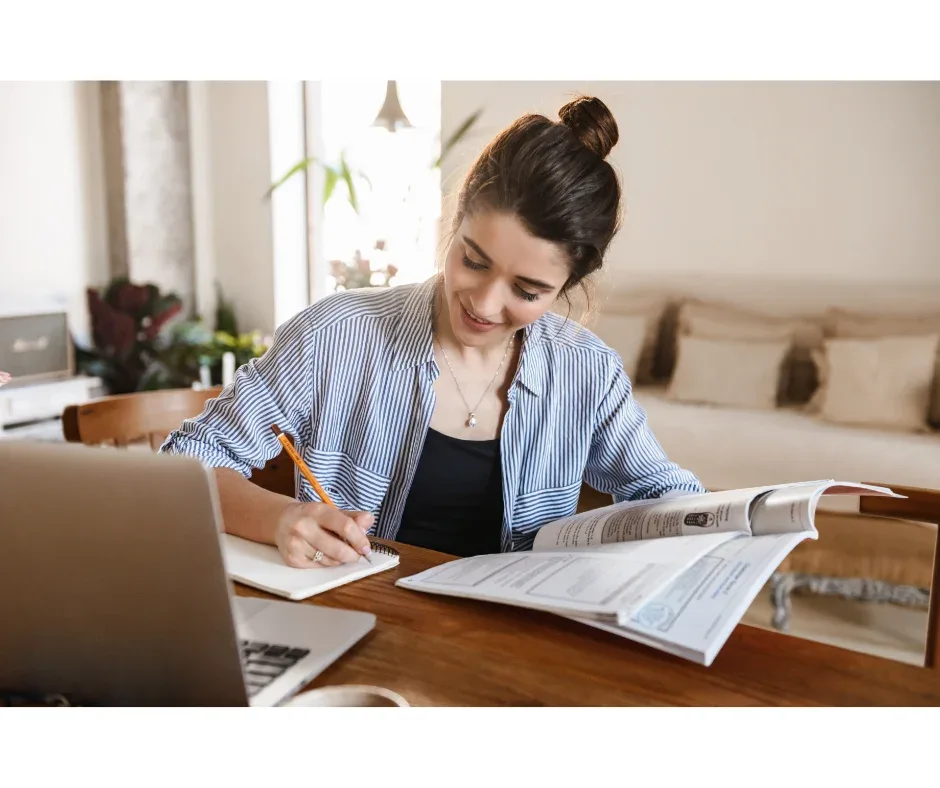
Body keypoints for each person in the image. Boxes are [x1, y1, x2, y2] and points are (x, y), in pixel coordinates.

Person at [160, 95, 705, 567]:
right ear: (456, 218)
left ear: (568, 285)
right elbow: (185, 465)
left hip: (510, 647)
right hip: (363, 623)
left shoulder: (587, 371)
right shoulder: (336, 335)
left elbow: (664, 493)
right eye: (473, 260)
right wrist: (283, 518)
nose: (485, 303)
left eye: (527, 291)